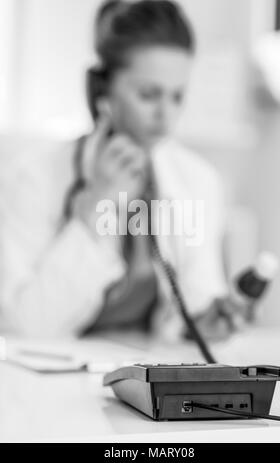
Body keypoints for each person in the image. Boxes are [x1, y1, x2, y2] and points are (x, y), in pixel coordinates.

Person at [0, 0, 238, 340]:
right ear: (101, 90)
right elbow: (20, 328)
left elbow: (198, 300)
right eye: (148, 94)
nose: (165, 115)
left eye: (177, 96)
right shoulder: (33, 178)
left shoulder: (198, 181)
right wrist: (97, 207)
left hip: (148, 381)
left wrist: (208, 325)